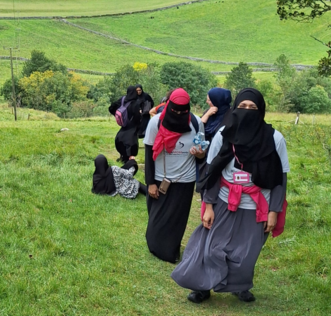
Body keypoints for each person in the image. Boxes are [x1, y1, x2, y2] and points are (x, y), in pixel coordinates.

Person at [171, 88, 289, 304]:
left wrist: (274, 211)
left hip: (256, 206)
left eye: (252, 108)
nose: (247, 111)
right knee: (211, 249)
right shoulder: (224, 134)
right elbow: (212, 172)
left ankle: (239, 286)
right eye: (242, 106)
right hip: (225, 201)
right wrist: (208, 206)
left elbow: (280, 179)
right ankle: (202, 286)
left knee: (246, 254)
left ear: (261, 111)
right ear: (235, 108)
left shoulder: (275, 139)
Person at [144, 88, 207, 263]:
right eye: (175, 110)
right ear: (169, 105)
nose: (179, 114)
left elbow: (202, 153)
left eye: (183, 111)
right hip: (159, 178)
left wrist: (200, 154)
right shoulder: (155, 123)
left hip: (185, 180)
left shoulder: (196, 123)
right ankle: (156, 243)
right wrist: (150, 183)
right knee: (156, 220)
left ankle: (172, 250)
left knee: (177, 219)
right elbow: (148, 155)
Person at [108, 86, 142, 162]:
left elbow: (111, 107)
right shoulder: (135, 103)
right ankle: (129, 161)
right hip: (132, 126)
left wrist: (118, 116)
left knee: (121, 139)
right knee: (131, 143)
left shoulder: (122, 100)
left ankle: (122, 157)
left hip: (124, 125)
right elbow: (137, 117)